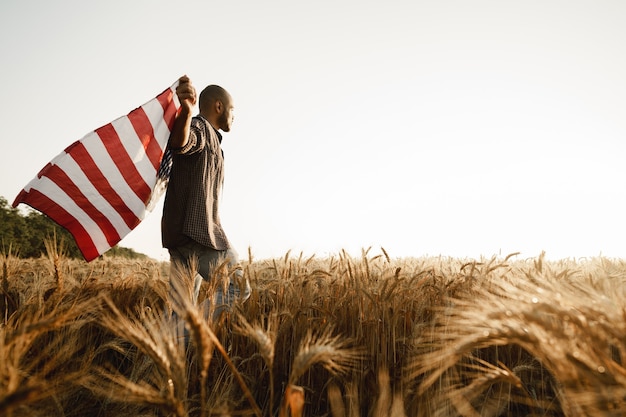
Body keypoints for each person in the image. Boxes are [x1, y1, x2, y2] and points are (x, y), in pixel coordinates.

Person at [161, 75, 250, 317]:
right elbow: (181, 143)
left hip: (178, 235)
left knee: (181, 311)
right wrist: (187, 111)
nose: (233, 116)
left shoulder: (211, 138)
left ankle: (167, 346)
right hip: (198, 233)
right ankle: (182, 335)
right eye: (232, 110)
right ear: (218, 106)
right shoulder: (201, 128)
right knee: (238, 288)